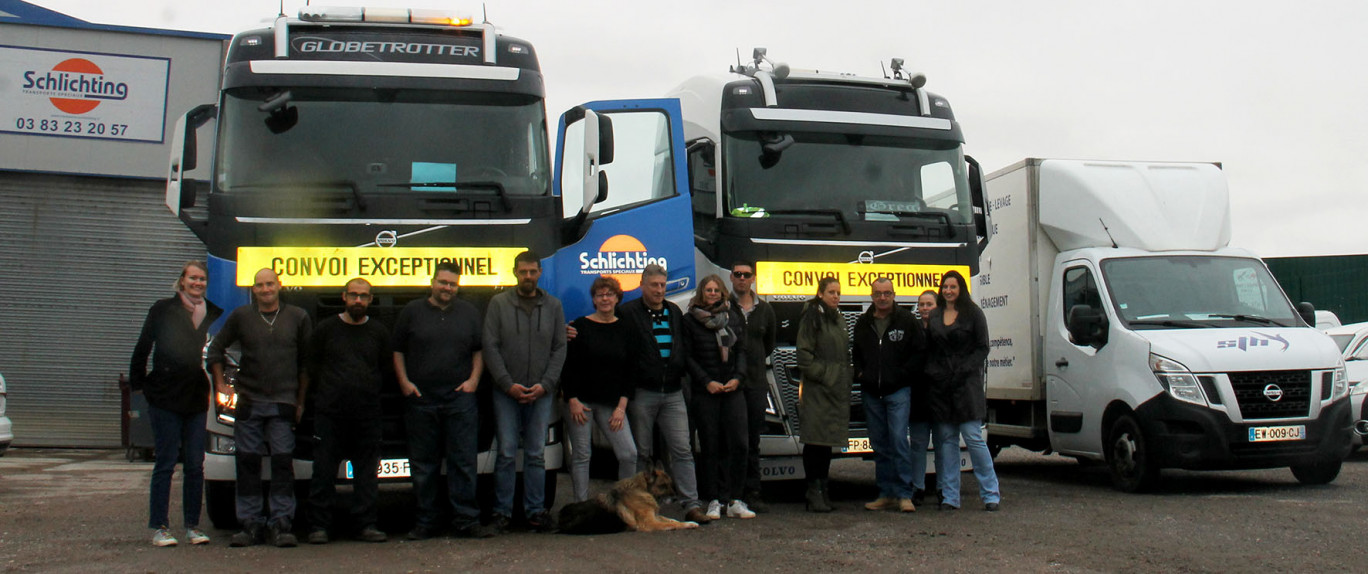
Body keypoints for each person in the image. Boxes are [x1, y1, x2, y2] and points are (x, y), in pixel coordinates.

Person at [207, 268, 312, 548]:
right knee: (248, 464)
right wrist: (220, 384)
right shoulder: (241, 317)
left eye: (270, 284)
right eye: (260, 285)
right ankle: (250, 523)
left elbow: (306, 364)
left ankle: (281, 523)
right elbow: (216, 350)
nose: (266, 289)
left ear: (280, 285)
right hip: (250, 404)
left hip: (283, 404)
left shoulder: (298, 317)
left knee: (281, 463)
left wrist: (300, 401)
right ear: (253, 289)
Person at [393, 262, 496, 540]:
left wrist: (474, 381)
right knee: (423, 465)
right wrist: (404, 382)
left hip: (459, 400)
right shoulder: (412, 312)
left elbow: (479, 351)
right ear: (432, 282)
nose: (447, 288)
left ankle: (466, 520)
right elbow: (398, 350)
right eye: (443, 282)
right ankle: (427, 522)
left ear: (458, 286)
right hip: (421, 400)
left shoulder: (469, 313)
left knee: (463, 462)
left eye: (452, 284)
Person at [129, 260, 223, 547]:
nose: (198, 283)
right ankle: (160, 527)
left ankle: (192, 526)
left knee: (195, 463)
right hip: (165, 396)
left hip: (195, 396)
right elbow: (143, 346)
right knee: (166, 462)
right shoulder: (163, 309)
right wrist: (139, 386)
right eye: (193, 278)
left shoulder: (208, 311)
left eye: (202, 279)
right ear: (182, 281)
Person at [619, 264, 711, 525]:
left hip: (672, 391)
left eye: (662, 285)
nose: (659, 290)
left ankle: (691, 505)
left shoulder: (674, 312)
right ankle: (637, 507)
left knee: (682, 449)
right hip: (642, 392)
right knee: (641, 453)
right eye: (654, 285)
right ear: (642, 285)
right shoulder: (628, 313)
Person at [484, 251, 567, 532]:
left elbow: (559, 348)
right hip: (506, 393)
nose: (528, 276)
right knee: (506, 453)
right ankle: (502, 514)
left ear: (540, 272)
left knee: (535, 454)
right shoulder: (498, 304)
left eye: (532, 271)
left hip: (541, 393)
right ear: (515, 272)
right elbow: (490, 346)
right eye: (523, 272)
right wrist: (508, 384)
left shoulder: (554, 306)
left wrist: (545, 384)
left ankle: (535, 512)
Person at [305, 278, 390, 544]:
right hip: (330, 414)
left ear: (370, 300)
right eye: (353, 295)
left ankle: (366, 525)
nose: (358, 301)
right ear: (343, 296)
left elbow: (385, 369)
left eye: (363, 296)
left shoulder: (379, 332)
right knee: (324, 472)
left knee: (366, 475)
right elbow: (312, 367)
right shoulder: (325, 329)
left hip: (367, 415)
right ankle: (319, 526)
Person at [925, 270, 1001, 512]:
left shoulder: (974, 314)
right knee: (946, 442)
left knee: (973, 439)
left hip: (967, 386)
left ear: (961, 289)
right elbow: (930, 350)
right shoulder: (935, 315)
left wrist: (964, 370)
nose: (948, 290)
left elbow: (982, 348)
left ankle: (991, 494)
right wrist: (935, 373)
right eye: (945, 286)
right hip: (941, 387)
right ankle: (949, 497)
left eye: (953, 286)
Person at [562, 276, 638, 502]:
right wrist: (572, 399)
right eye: (600, 295)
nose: (605, 299)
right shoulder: (578, 327)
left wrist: (621, 408)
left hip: (611, 404)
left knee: (628, 454)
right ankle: (582, 505)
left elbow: (630, 371)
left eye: (609, 294)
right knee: (582, 455)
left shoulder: (626, 329)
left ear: (617, 298)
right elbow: (568, 367)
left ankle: (624, 502)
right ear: (594, 299)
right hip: (580, 403)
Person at [683, 275, 753, 520]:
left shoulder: (733, 316)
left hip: (733, 388)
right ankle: (713, 499)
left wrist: (738, 378)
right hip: (706, 392)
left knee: (739, 444)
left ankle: (736, 499)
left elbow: (742, 350)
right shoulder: (690, 320)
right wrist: (706, 382)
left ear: (723, 292)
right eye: (708, 290)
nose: (712, 293)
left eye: (716, 290)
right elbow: (688, 357)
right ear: (702, 293)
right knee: (711, 446)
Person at [853, 278, 925, 513]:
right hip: (872, 392)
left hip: (898, 391)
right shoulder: (863, 322)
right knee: (879, 444)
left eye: (886, 293)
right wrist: (862, 374)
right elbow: (857, 353)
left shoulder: (907, 321)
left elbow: (918, 353)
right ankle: (885, 493)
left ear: (894, 294)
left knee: (898, 441)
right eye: (877, 293)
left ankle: (905, 494)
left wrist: (903, 377)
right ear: (871, 295)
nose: (882, 297)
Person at [794, 276, 851, 513]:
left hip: (835, 391)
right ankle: (813, 491)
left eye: (838, 292)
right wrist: (828, 375)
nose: (836, 296)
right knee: (815, 442)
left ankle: (824, 489)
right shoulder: (812, 317)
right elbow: (804, 355)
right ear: (820, 294)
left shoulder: (838, 319)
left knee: (826, 443)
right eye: (831, 292)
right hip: (818, 390)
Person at [729, 261, 776, 512]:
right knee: (734, 440)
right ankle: (730, 493)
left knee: (753, 440)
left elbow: (769, 344)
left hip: (756, 383)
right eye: (738, 274)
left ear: (753, 279)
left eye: (746, 275)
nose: (742, 279)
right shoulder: (724, 307)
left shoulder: (765, 310)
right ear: (731, 277)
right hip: (732, 385)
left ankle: (753, 491)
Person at [910, 288, 939, 504]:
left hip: (939, 398)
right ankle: (917, 488)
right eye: (922, 304)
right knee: (918, 445)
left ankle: (943, 489)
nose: (925, 308)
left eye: (929, 304)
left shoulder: (945, 330)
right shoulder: (913, 330)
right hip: (919, 397)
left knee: (942, 446)